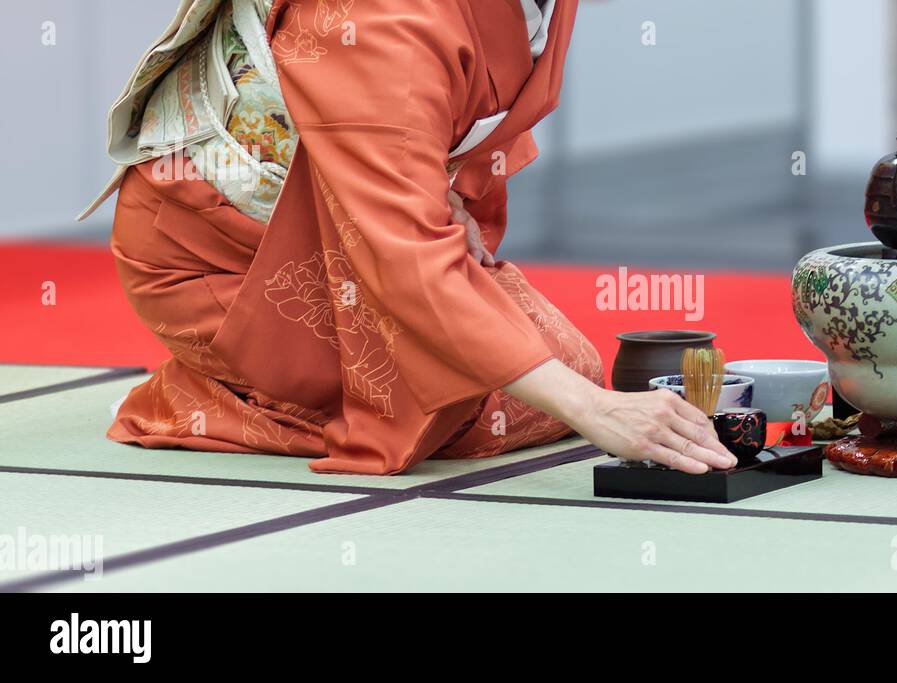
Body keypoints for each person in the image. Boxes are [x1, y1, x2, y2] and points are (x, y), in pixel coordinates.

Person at [84, 0, 735, 475]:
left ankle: (287, 388)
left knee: (569, 365)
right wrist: (600, 413)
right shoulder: (376, 17)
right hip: (215, 259)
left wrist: (444, 197)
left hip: (329, 220)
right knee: (452, 410)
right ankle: (219, 396)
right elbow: (407, 253)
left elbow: (444, 125)